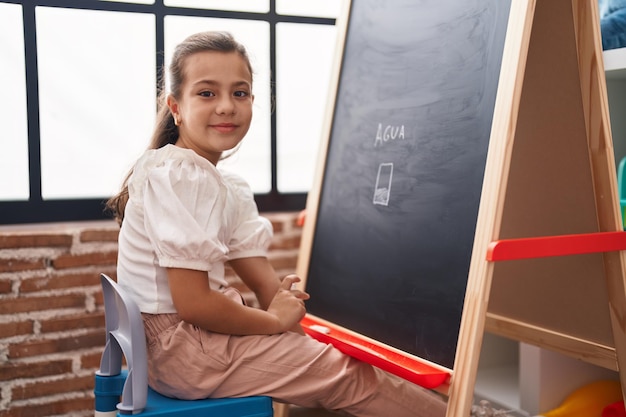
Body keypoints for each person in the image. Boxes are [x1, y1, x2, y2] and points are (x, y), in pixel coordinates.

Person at [106, 31, 447, 417]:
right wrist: (274, 322)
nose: (226, 107)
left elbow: (263, 281)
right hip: (185, 354)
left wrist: (296, 332)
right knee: (350, 375)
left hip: (180, 350)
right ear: (176, 107)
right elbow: (195, 304)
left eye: (240, 93)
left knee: (332, 370)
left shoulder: (218, 184)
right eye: (206, 93)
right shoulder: (183, 176)